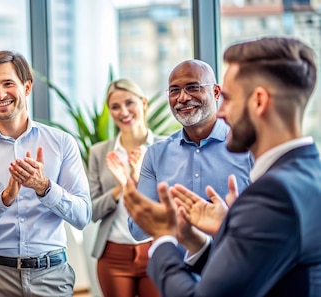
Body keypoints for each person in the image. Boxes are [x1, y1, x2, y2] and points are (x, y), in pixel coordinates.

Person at [124, 36, 321, 296]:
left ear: (258, 101)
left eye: (227, 99)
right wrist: (217, 231)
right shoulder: (309, 172)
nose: (223, 113)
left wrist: (163, 238)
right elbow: (252, 273)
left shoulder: (273, 194)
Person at [0, 50, 92, 297]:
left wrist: (45, 187)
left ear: (27, 87)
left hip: (51, 276)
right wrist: (4, 199)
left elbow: (82, 216)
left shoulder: (61, 143)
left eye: (8, 84)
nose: (0, 94)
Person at [129, 59, 254, 247]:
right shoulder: (156, 155)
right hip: (179, 272)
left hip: (236, 267)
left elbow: (271, 221)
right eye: (174, 90)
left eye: (192, 87)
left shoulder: (249, 148)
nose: (182, 98)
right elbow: (137, 230)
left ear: (216, 92)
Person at [88, 79, 162, 297]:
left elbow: (171, 205)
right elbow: (91, 212)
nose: (123, 112)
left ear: (144, 103)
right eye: (115, 107)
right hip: (113, 255)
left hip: (156, 249)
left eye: (129, 103)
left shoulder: (164, 147)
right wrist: (120, 187)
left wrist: (138, 179)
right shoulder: (99, 153)